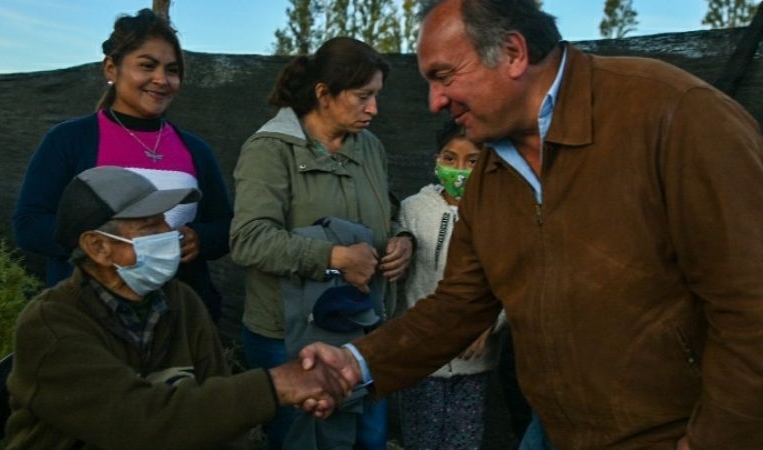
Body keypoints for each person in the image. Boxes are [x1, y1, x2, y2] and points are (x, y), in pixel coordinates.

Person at [298, 1, 763, 449]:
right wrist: (356, 363)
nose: (435, 101)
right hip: (560, 432)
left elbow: (751, 307)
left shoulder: (675, 115)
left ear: (514, 53)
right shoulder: (490, 175)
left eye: (443, 76)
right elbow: (459, 306)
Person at [4, 166, 348, 450]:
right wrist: (276, 386)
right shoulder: (51, 323)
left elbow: (223, 425)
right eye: (149, 226)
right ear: (98, 247)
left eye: (165, 221)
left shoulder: (181, 301)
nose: (171, 232)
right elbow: (137, 423)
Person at [230, 36, 414, 449]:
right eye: (363, 96)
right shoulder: (270, 150)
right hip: (289, 337)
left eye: (377, 96)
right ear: (323, 94)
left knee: (370, 437)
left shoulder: (370, 147)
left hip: (362, 330)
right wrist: (334, 257)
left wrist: (401, 239)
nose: (374, 109)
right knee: (304, 440)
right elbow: (248, 240)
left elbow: (386, 210)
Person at [13, 8, 230, 323]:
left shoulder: (195, 150)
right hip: (91, 318)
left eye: (172, 70)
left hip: (178, 320)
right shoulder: (70, 140)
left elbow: (224, 224)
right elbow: (29, 225)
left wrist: (200, 238)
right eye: (147, 66)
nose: (161, 79)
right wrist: (111, 246)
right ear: (111, 69)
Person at [397, 121, 500, 449]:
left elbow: (516, 281)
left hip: (475, 359)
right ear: (436, 160)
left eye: (472, 161)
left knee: (464, 440)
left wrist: (492, 323)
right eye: (450, 158)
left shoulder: (503, 212)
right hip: (420, 355)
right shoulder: (413, 210)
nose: (460, 170)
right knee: (422, 439)